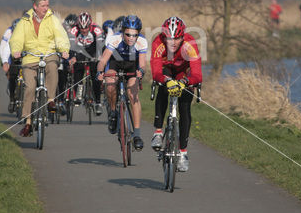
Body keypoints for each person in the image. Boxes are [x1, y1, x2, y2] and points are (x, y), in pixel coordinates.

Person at [10, 0, 70, 137]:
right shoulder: (25, 20)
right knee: (30, 87)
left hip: (49, 53)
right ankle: (28, 122)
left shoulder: (52, 19)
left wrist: (63, 50)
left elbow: (60, 36)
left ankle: (50, 100)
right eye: (43, 6)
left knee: (52, 67)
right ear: (35, 6)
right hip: (30, 57)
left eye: (47, 5)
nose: (46, 8)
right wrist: (16, 50)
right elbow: (17, 38)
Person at [150, 16, 202, 173]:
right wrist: (166, 81)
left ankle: (183, 154)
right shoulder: (158, 43)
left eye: (177, 38)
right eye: (169, 38)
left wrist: (185, 82)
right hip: (166, 70)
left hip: (183, 73)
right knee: (163, 89)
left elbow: (198, 74)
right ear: (164, 36)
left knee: (185, 108)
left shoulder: (189, 44)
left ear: (183, 36)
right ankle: (158, 133)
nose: (173, 42)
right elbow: (156, 72)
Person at [96, 15, 147, 151]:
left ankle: (136, 134)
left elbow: (142, 64)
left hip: (132, 64)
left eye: (134, 35)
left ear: (138, 34)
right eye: (128, 34)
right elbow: (103, 61)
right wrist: (100, 72)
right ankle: (113, 112)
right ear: (123, 32)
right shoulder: (115, 39)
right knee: (111, 85)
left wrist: (141, 71)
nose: (131, 38)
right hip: (115, 62)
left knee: (133, 94)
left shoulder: (142, 41)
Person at [68, 11, 104, 115]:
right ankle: (78, 92)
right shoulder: (74, 30)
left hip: (93, 50)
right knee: (77, 67)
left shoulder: (97, 29)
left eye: (86, 28)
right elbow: (71, 46)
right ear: (78, 26)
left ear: (90, 25)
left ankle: (98, 102)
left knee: (95, 76)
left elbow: (100, 45)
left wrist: (98, 56)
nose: (84, 30)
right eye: (81, 28)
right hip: (79, 50)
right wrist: (73, 57)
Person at [0, 17, 22, 113]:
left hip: (26, 58)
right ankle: (12, 99)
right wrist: (5, 62)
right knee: (12, 77)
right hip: (14, 58)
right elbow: (5, 48)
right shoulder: (10, 35)